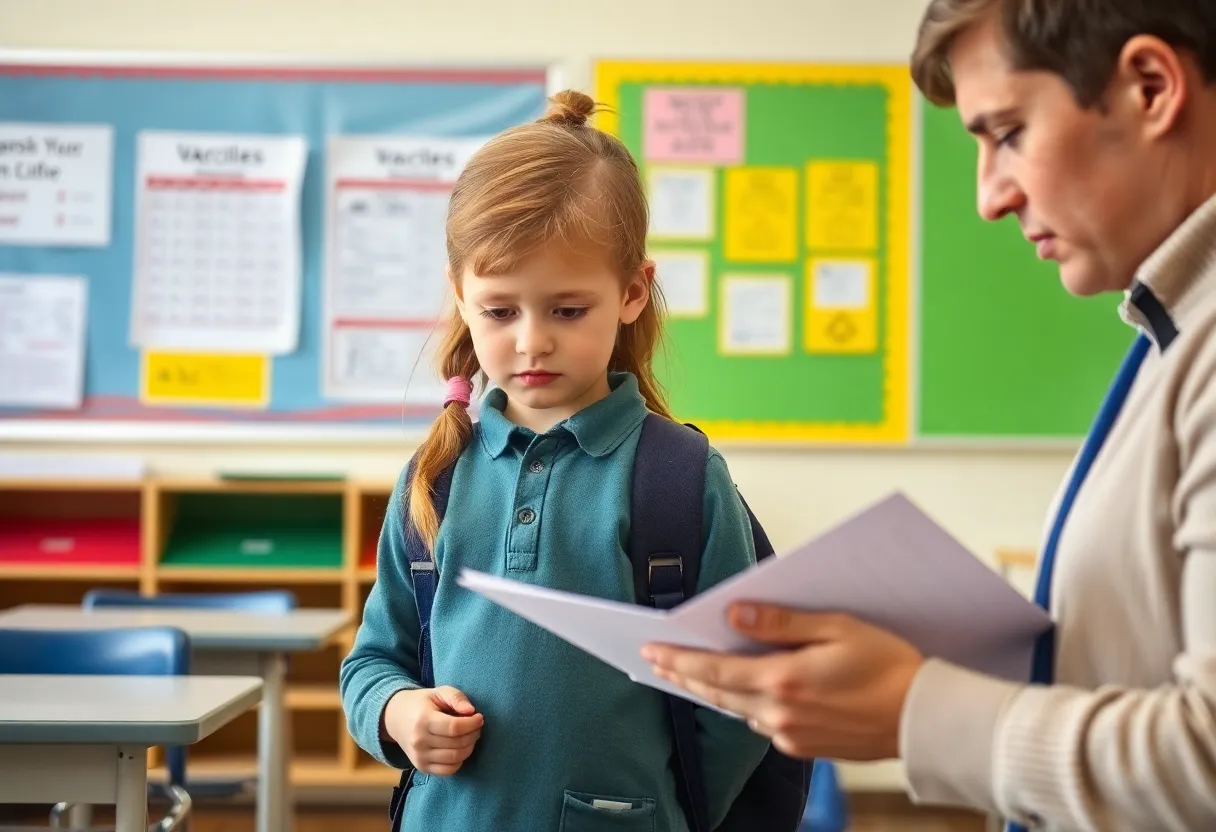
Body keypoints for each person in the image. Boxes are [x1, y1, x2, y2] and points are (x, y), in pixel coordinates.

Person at [640, 1, 1216, 830]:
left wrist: (916, 709)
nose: (990, 196)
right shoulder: (1171, 332)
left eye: (1009, 131)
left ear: (1151, 87)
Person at [339, 90, 769, 832]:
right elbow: (372, 664)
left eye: (567, 310)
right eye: (501, 310)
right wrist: (398, 713)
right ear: (460, 296)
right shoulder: (434, 479)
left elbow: (739, 696)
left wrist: (661, 814)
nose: (532, 342)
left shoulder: (680, 478)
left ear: (633, 290)